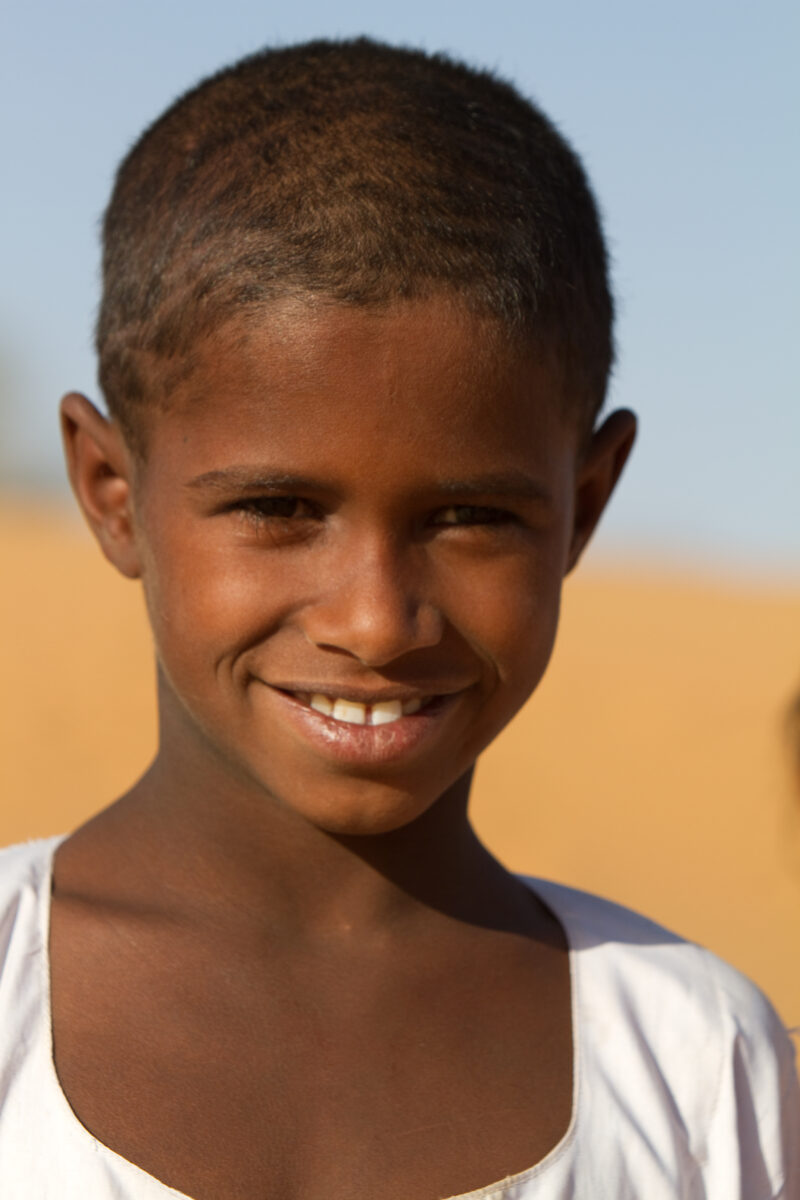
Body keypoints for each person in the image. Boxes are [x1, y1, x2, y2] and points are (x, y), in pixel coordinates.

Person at [0, 37, 796, 1200]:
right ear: (112, 492)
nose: (376, 622)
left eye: (469, 516)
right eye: (276, 508)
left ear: (587, 502)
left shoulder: (698, 1066)